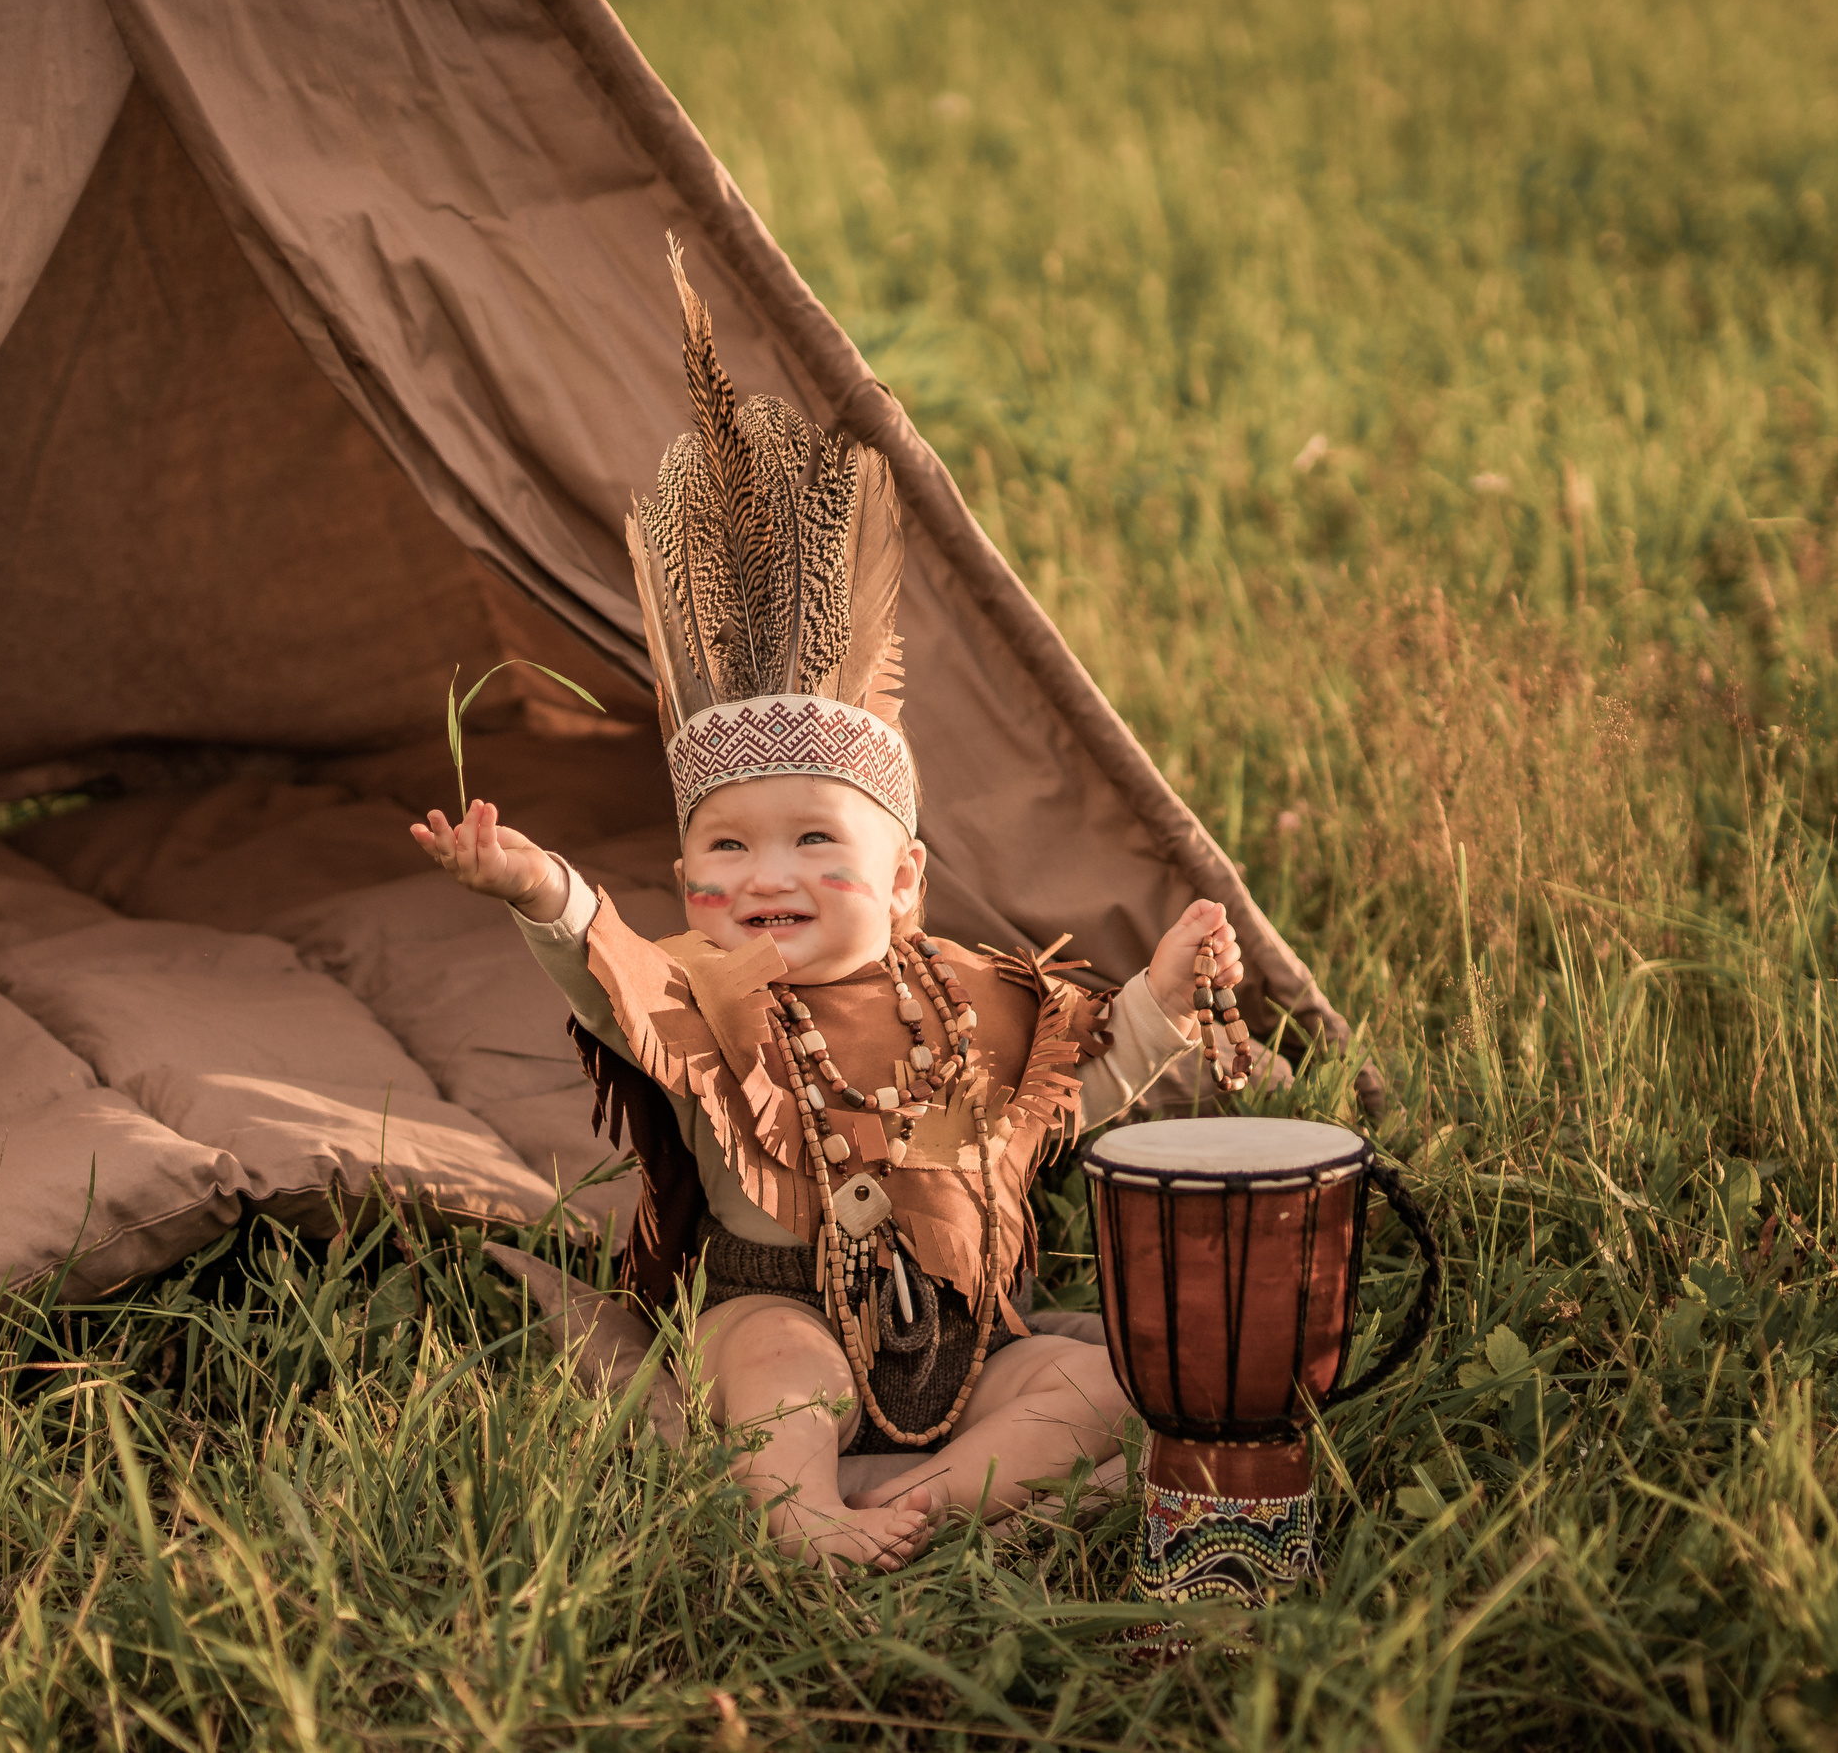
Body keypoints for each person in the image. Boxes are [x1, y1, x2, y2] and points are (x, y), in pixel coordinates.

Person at [411, 243, 1243, 1571]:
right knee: (772, 1369)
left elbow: (1081, 1091)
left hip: (971, 1343)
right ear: (691, 888)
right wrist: (542, 889)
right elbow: (603, 973)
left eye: (814, 839)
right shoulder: (705, 998)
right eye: (728, 852)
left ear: (906, 881)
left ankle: (933, 1501)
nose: (769, 875)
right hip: (777, 1304)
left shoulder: (975, 999)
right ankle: (801, 1503)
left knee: (1095, 1387)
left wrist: (1159, 993)